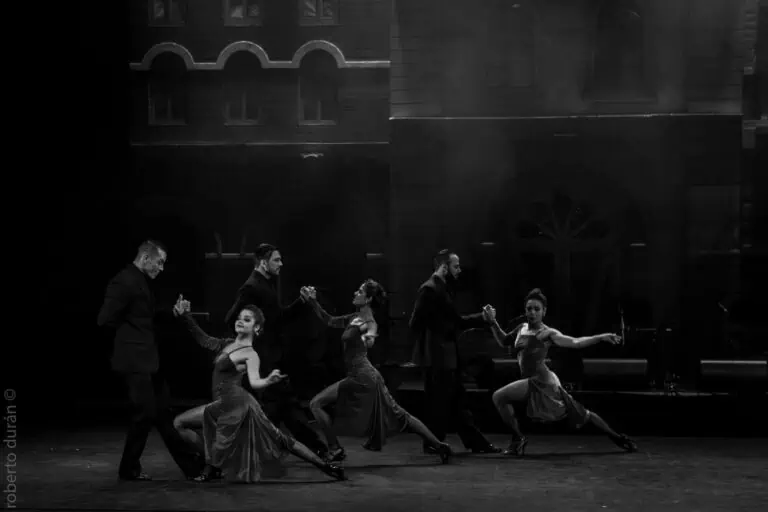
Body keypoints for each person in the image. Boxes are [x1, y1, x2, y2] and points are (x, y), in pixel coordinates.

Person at [172, 297, 345, 482]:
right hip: (223, 403)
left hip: (235, 405)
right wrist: (186, 316)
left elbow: (254, 382)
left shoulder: (250, 353)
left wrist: (268, 380)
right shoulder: (227, 344)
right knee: (181, 424)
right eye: (240, 317)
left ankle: (325, 466)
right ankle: (214, 464)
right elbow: (204, 340)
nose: (240, 321)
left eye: (247, 319)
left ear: (256, 328)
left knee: (280, 439)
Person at [301, 280, 452, 464]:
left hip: (364, 377)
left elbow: (371, 330)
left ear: (368, 299)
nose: (355, 292)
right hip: (360, 375)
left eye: (360, 291)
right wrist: (313, 302)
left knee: (316, 404)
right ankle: (439, 446)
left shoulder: (368, 321)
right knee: (401, 415)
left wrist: (369, 337)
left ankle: (334, 448)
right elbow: (330, 320)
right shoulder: (354, 317)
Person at [96, 240, 205, 481]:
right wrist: (129, 340)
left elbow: (147, 316)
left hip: (149, 361)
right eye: (160, 262)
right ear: (146, 258)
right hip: (134, 361)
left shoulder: (140, 281)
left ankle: (193, 468)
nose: (162, 268)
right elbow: (105, 320)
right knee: (145, 414)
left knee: (162, 414)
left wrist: (174, 313)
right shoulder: (123, 281)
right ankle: (129, 468)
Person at [486, 288, 639, 455]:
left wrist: (600, 337)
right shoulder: (521, 327)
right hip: (532, 380)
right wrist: (493, 322)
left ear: (544, 311)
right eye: (529, 308)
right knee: (582, 414)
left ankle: (617, 437)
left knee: (499, 396)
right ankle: (617, 437)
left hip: (543, 382)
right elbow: (503, 341)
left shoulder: (547, 333)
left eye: (537, 309)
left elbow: (575, 342)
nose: (532, 312)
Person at [224, 243, 327, 457]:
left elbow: (278, 318)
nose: (281, 264)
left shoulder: (266, 285)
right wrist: (254, 339)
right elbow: (231, 319)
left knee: (281, 408)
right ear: (263, 262)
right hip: (262, 360)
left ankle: (317, 449)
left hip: (271, 357)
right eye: (276, 260)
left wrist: (302, 302)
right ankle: (320, 449)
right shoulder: (251, 288)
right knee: (283, 407)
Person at [408, 249, 501, 455]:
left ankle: (469, 443)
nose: (459, 270)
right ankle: (438, 443)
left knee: (454, 402)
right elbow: (415, 322)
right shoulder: (430, 289)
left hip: (446, 356)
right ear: (444, 267)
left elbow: (453, 321)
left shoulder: (441, 288)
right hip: (438, 357)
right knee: (443, 403)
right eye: (456, 266)